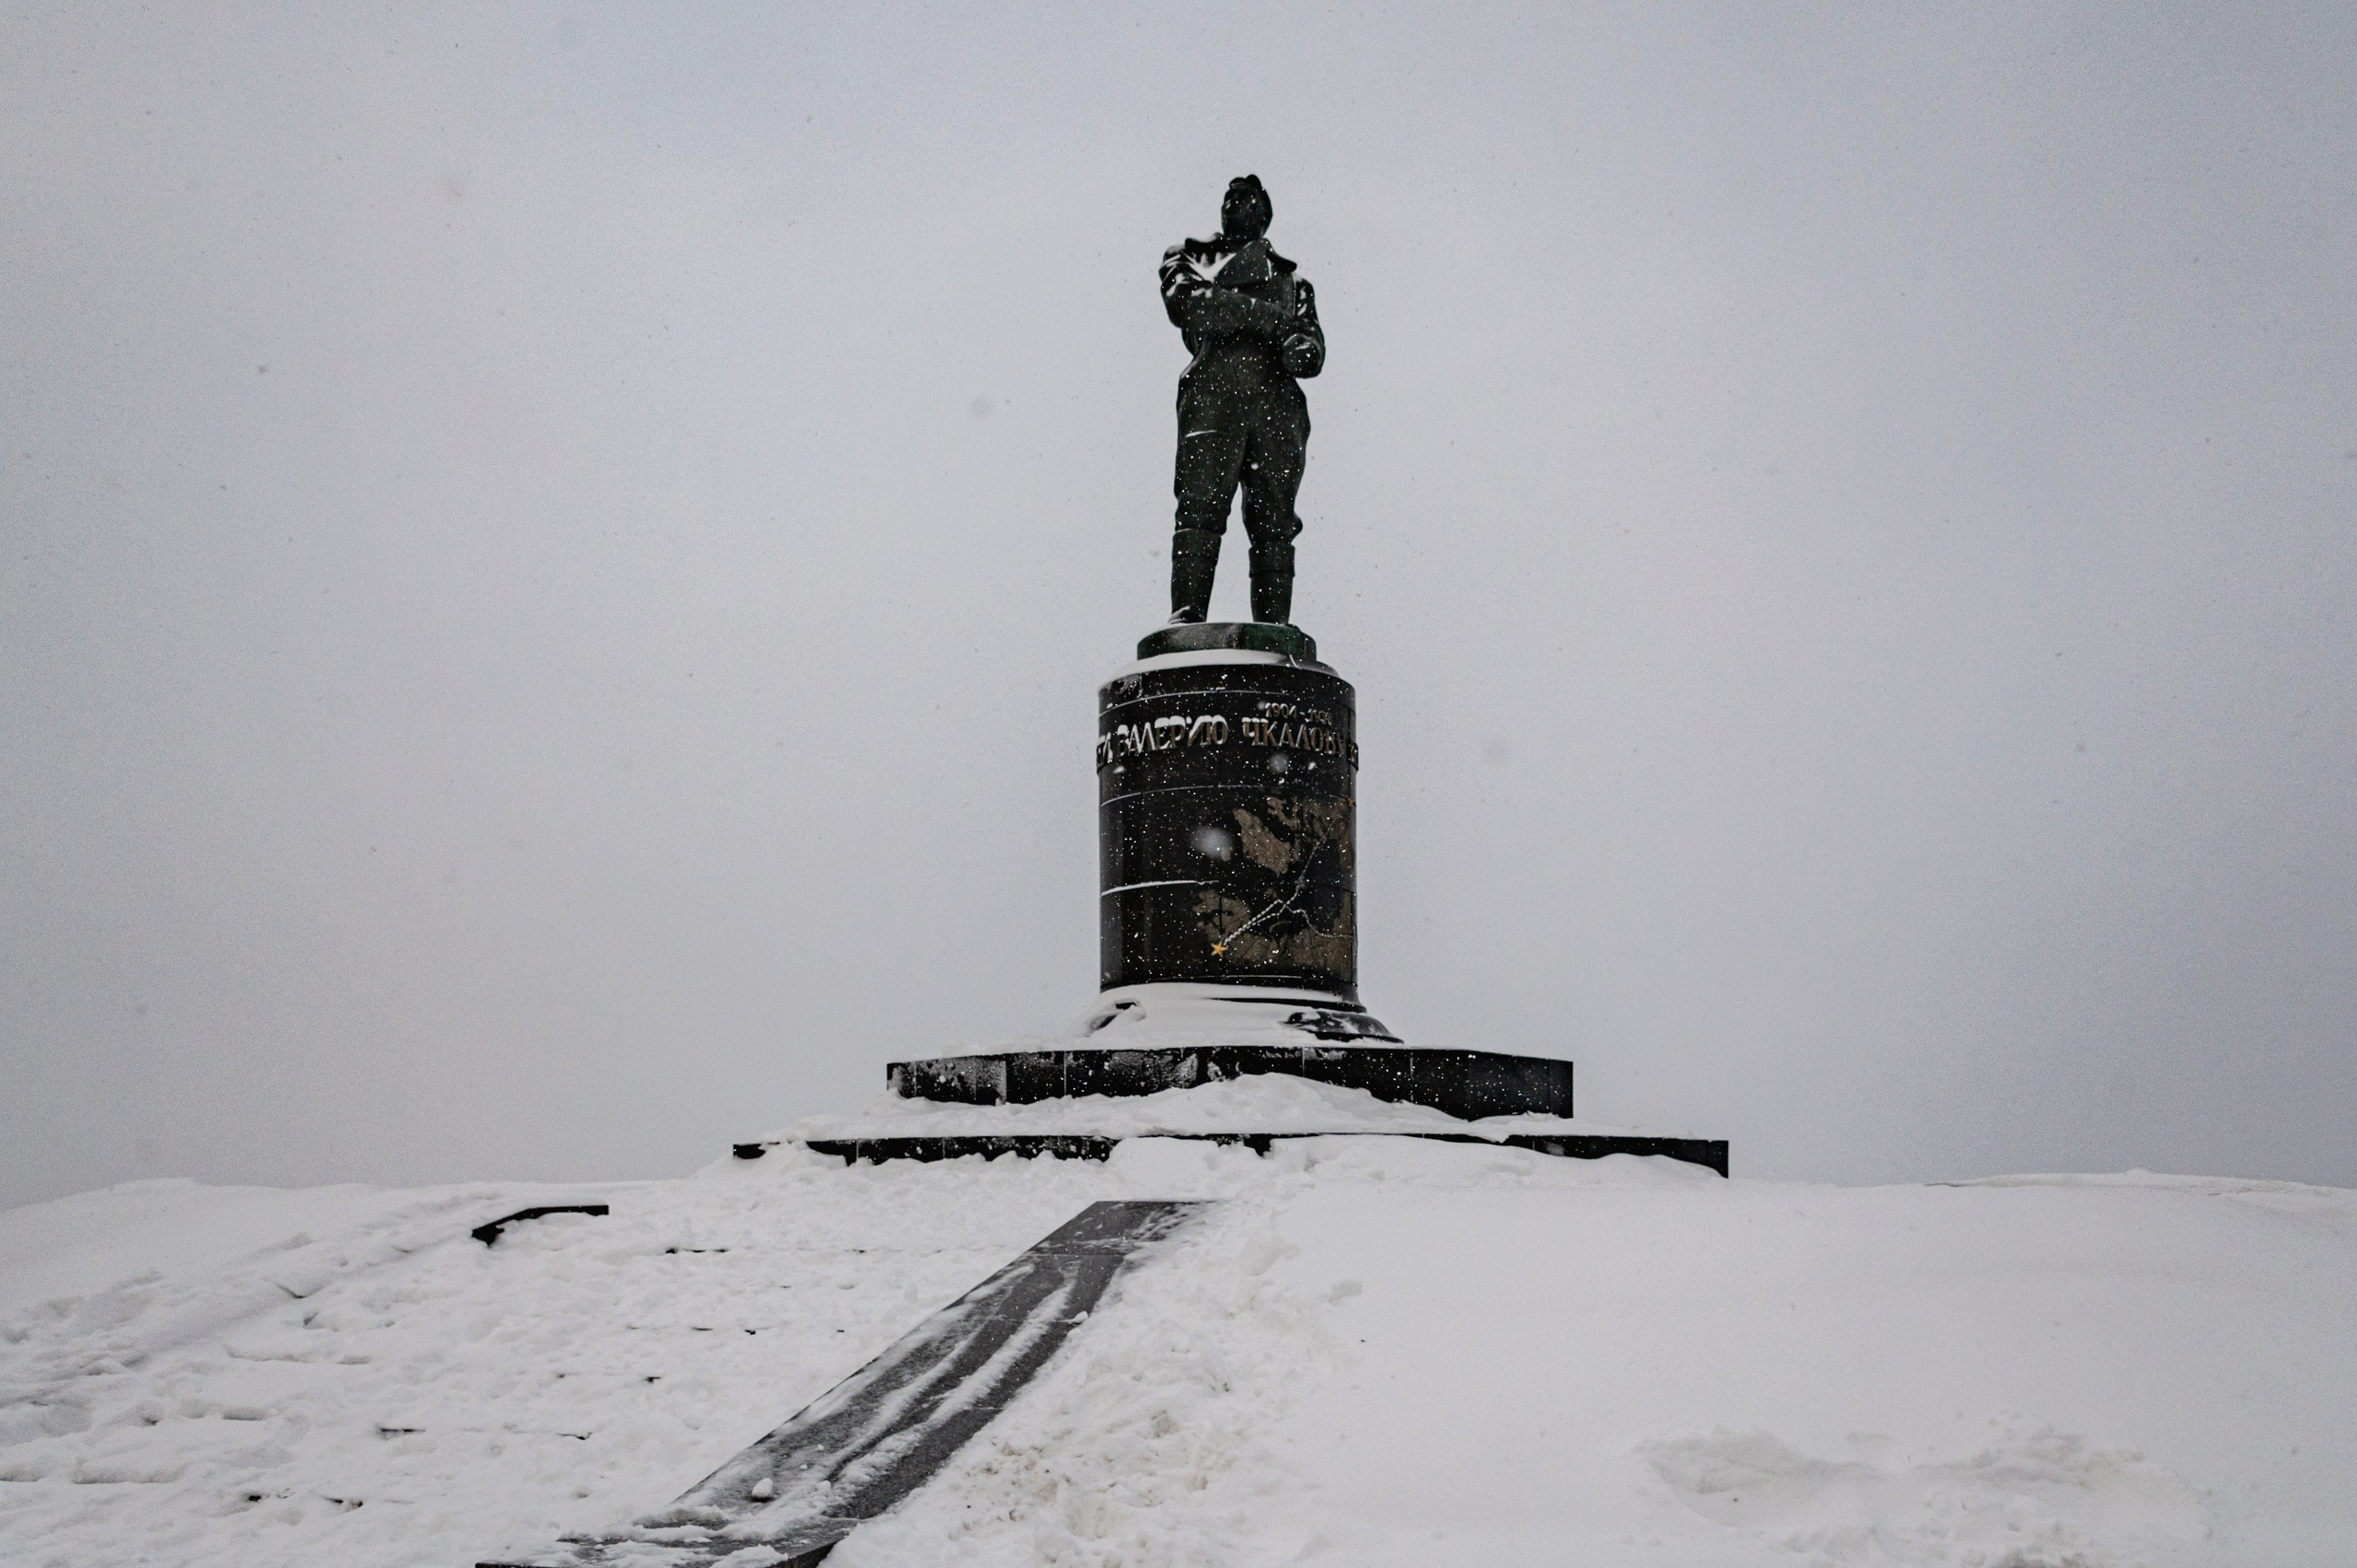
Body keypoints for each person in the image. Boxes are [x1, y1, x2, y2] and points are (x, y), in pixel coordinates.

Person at [1157, 175, 1325, 625]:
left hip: (1275, 409)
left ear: (1265, 213)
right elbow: (1190, 304)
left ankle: (1275, 630)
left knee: (1275, 523)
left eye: (1247, 198)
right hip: (1213, 398)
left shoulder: (1294, 281)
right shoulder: (1189, 257)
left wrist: (1302, 349)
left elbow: (1312, 347)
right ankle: (1186, 617)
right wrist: (1272, 322)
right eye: (1229, 197)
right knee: (1198, 509)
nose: (1235, 203)